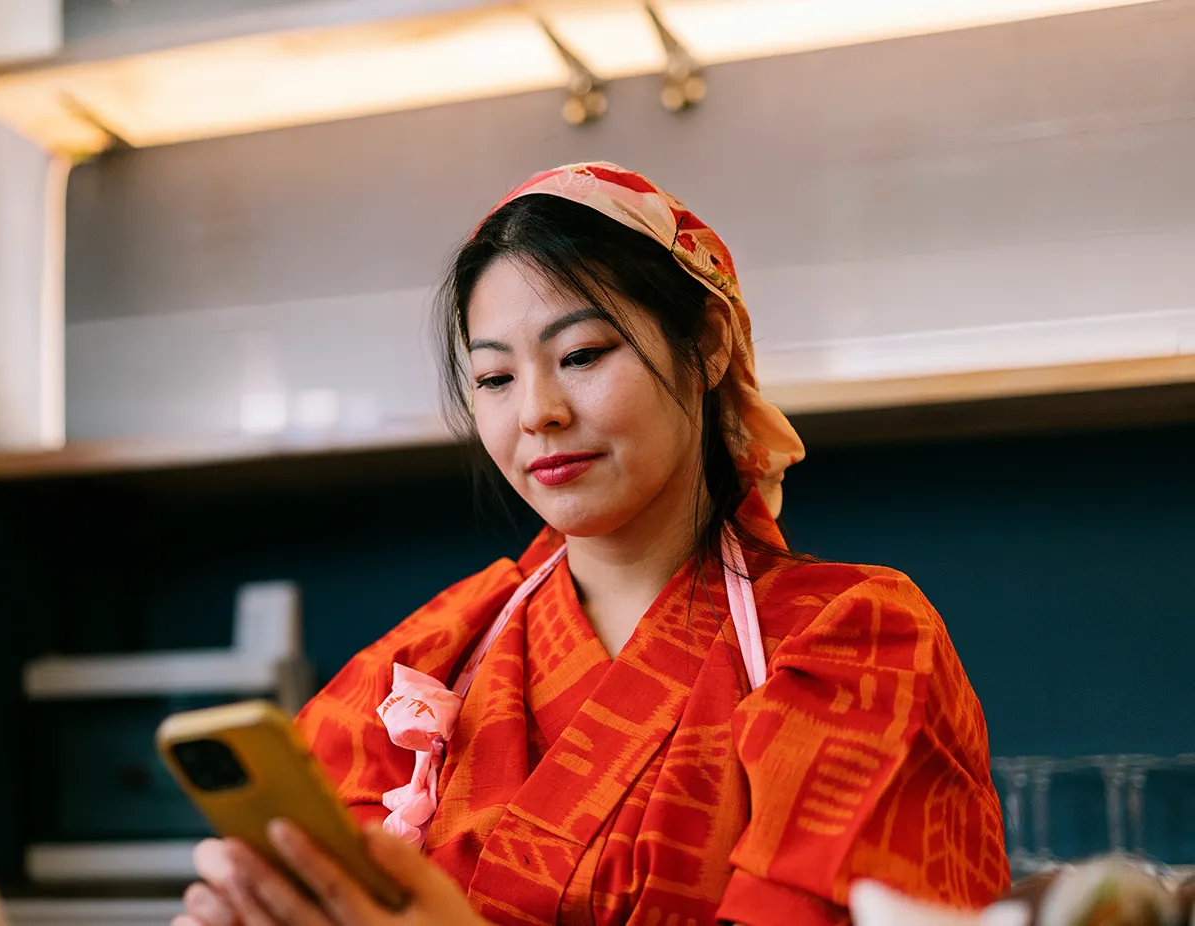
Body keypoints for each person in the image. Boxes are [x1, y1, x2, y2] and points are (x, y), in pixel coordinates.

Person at [174, 163, 1010, 926]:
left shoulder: (854, 640)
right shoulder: (431, 657)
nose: (537, 412)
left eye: (581, 354)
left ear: (709, 344)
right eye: (495, 378)